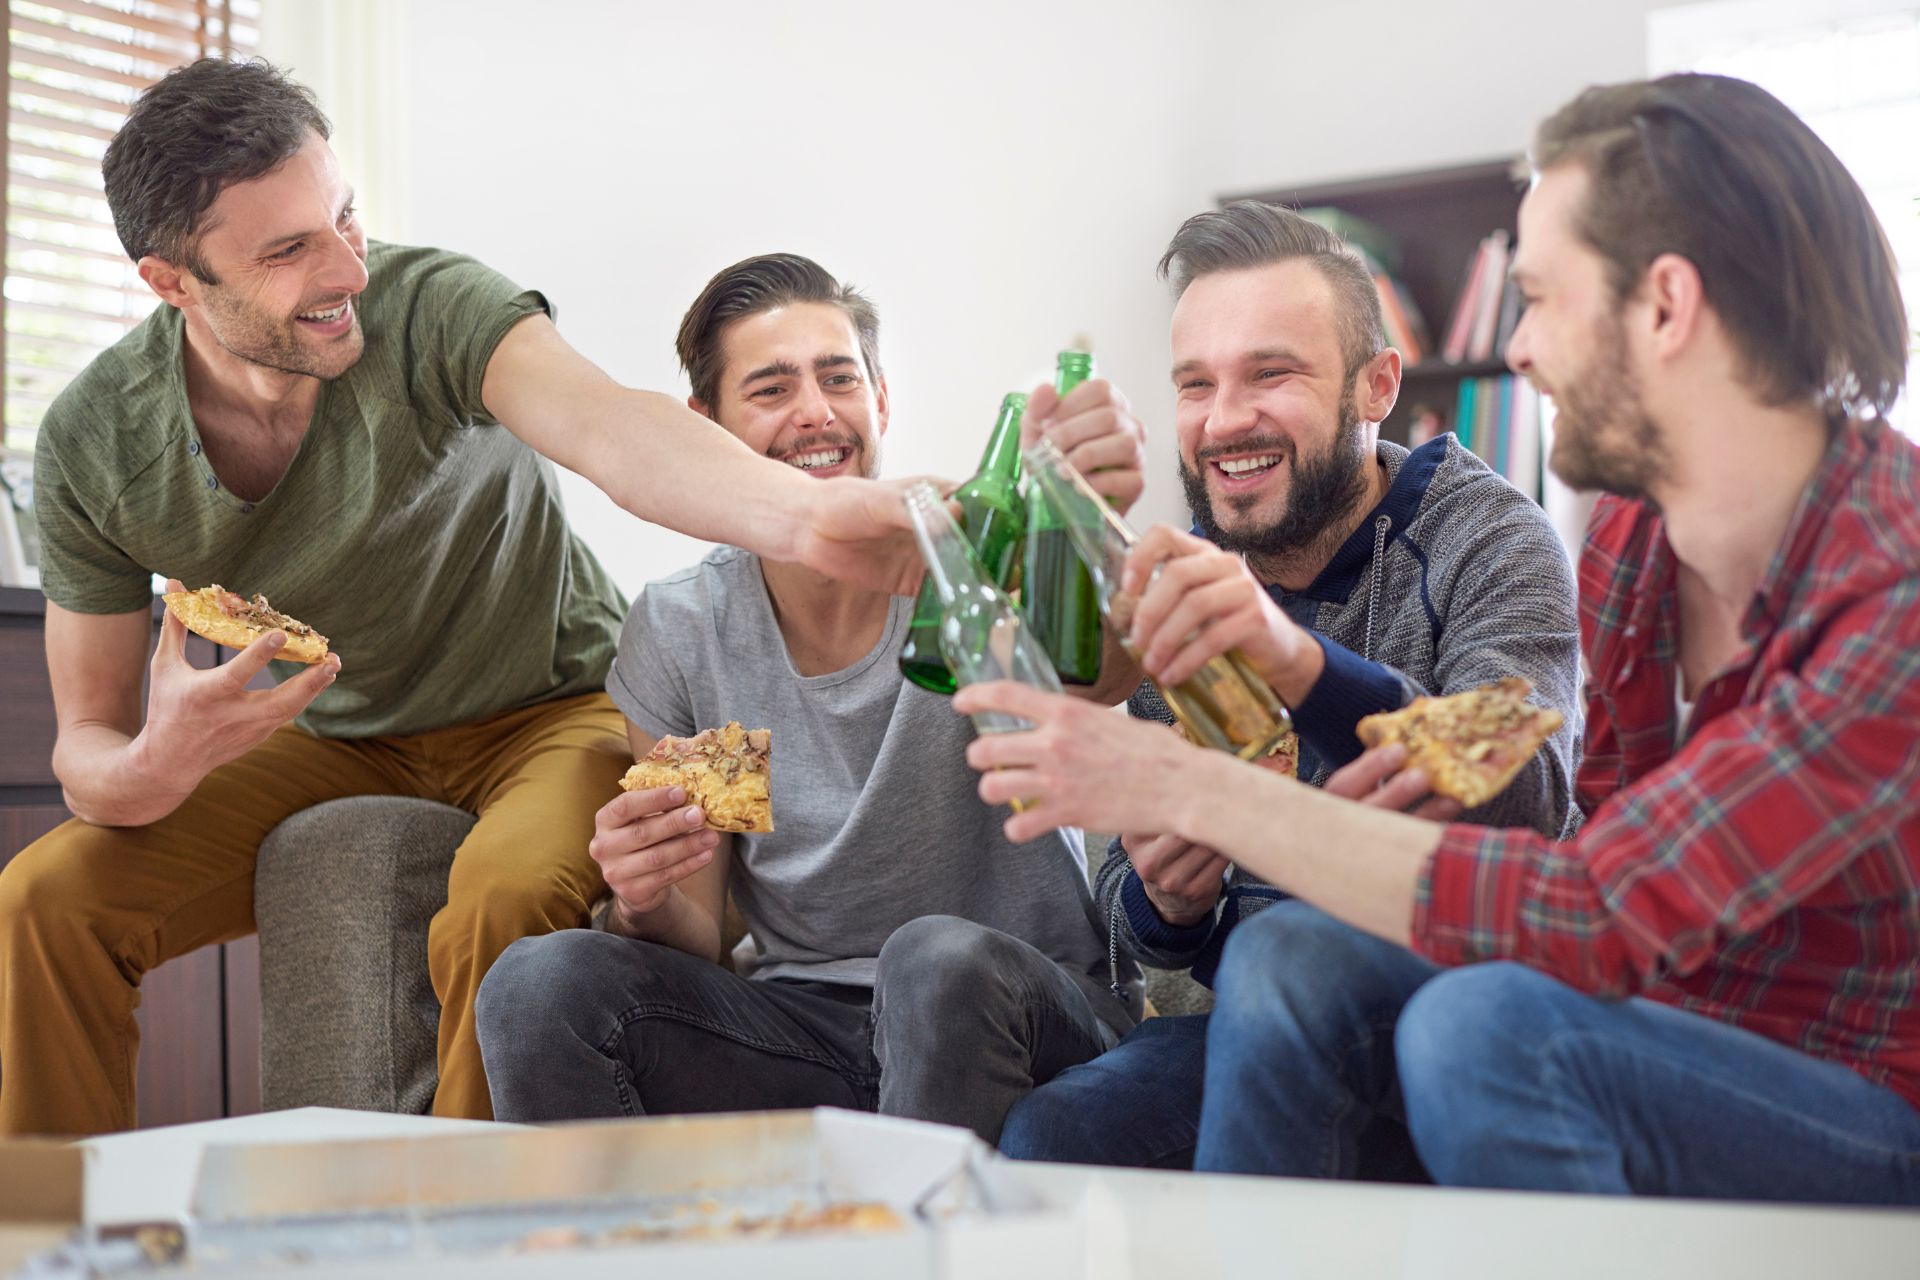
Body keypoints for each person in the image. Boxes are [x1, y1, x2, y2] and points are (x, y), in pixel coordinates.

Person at [962, 74, 1920, 1205]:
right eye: (1196, 385)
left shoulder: (1889, 588)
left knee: (1481, 1026)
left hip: (1845, 1087)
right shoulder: (1630, 538)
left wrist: (1208, 779)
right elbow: (1566, 817)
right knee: (1137, 1074)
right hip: (1635, 1016)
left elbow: (1584, 891)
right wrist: (1218, 791)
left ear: (1664, 307)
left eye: (1543, 298)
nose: (1517, 351)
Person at [0, 59, 922, 1137]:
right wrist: (158, 761)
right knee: (39, 901)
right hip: (338, 731)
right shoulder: (94, 442)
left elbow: (613, 430)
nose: (348, 265)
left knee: (501, 892)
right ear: (173, 283)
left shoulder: (429, 304)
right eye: (289, 248)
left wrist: (816, 521)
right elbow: (90, 753)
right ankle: (45, 1237)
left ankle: (465, 1233)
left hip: (549, 703)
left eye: (342, 215)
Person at [476, 253, 1146, 1143]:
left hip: (1017, 1001)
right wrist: (643, 898)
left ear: (882, 401)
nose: (817, 413)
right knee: (537, 982)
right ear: (703, 428)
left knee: (934, 957)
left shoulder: (972, 561)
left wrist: (1091, 521)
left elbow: (1104, 674)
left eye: (840, 379)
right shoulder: (681, 630)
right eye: (771, 389)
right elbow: (697, 932)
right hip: (809, 1029)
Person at [998, 200, 1582, 1170]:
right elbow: (1129, 917)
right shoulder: (1172, 578)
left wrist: (1291, 657)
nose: (1227, 421)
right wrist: (1162, 904)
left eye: (1271, 373)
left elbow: (1524, 787)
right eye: (1197, 385)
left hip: (1448, 1009)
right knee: (1055, 1131)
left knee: (1288, 957)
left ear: (1376, 385)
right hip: (1239, 1021)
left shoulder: (1493, 537)